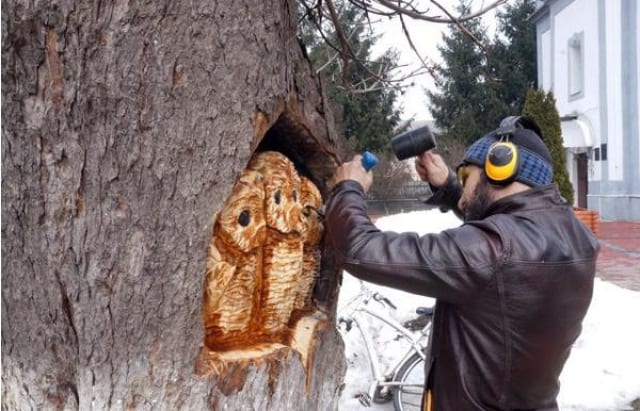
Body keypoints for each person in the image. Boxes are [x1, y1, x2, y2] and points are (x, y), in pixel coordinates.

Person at [325, 117, 599, 411]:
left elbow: (360, 249)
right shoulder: (577, 236)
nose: (465, 199)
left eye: (467, 178)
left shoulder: (491, 250)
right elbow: (499, 234)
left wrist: (349, 187)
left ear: (500, 167)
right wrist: (449, 187)